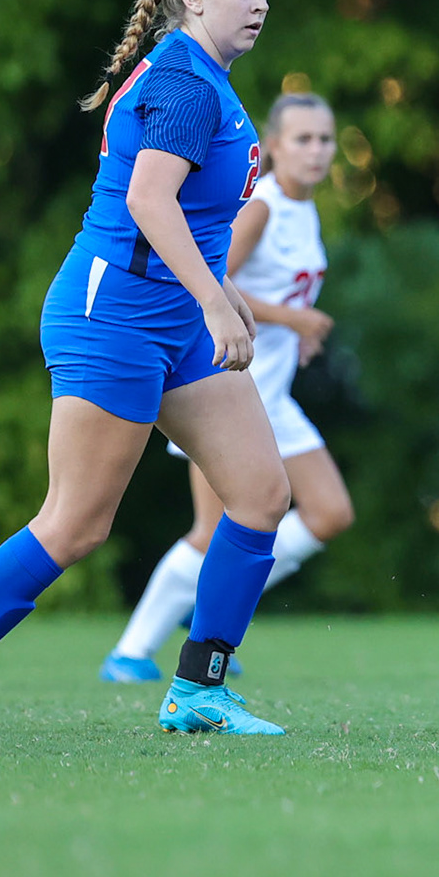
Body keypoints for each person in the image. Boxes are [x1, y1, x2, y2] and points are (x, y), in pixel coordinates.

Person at [0, 0, 292, 737]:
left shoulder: (205, 76)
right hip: (113, 317)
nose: (259, 4)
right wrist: (216, 302)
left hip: (173, 316)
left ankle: (198, 689)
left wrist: (220, 290)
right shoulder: (188, 85)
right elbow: (147, 202)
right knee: (76, 524)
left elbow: (192, 216)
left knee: (262, 495)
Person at [100, 92, 353, 682]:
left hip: (274, 394)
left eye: (325, 139)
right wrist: (293, 320)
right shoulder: (262, 206)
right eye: (303, 139)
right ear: (274, 147)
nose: (317, 151)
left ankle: (215, 608)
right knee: (212, 532)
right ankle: (131, 653)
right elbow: (211, 279)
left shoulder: (306, 209)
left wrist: (297, 331)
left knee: (330, 512)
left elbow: (286, 294)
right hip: (227, 388)